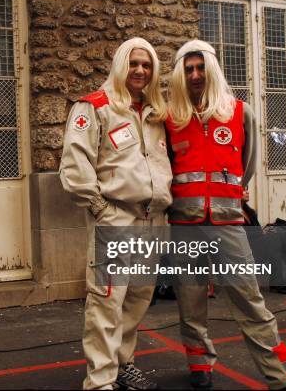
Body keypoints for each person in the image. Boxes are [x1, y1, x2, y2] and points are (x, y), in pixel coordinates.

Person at [164, 40, 286, 390]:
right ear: (182, 74)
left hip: (229, 223)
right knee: (191, 299)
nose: (195, 75)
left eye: (200, 68)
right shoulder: (171, 118)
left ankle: (282, 377)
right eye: (189, 69)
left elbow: (248, 166)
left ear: (211, 69)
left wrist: (229, 195)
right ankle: (200, 366)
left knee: (250, 299)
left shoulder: (240, 112)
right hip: (185, 225)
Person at [60, 37, 172, 390]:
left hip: (154, 222)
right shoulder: (94, 107)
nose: (140, 70)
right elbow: (75, 166)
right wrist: (101, 210)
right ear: (120, 65)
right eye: (134, 63)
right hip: (116, 220)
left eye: (147, 65)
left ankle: (123, 364)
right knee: (107, 301)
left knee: (138, 299)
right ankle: (100, 380)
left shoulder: (158, 114)